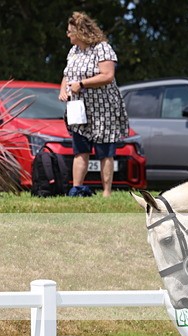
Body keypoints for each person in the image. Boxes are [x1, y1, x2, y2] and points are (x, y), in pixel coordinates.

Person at [58, 11, 130, 197]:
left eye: (70, 31)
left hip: (103, 108)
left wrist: (81, 84)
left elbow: (107, 76)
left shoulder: (102, 48)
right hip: (79, 108)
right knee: (80, 149)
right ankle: (77, 189)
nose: (68, 35)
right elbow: (67, 73)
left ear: (80, 32)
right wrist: (63, 89)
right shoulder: (73, 51)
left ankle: (107, 192)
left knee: (104, 151)